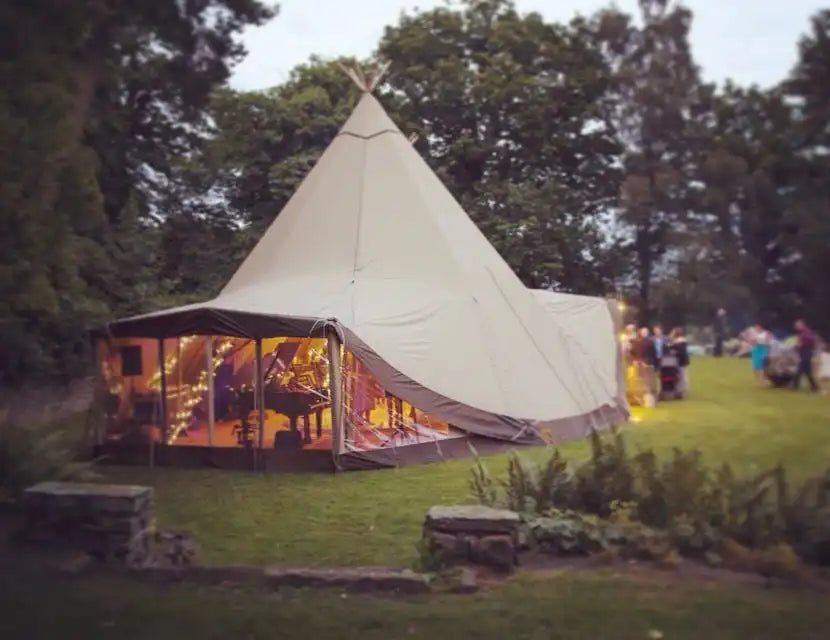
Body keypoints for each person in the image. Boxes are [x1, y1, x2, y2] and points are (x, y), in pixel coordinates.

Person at [793, 319, 820, 393]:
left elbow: (809, 342)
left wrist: (799, 345)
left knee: (799, 370)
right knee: (807, 372)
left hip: (806, 353)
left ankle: (795, 387)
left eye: (798, 325)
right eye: (796, 326)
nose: (796, 327)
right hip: (803, 353)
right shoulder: (801, 333)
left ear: (802, 325)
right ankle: (815, 387)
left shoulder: (806, 333)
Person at [669, 327, 690, 394]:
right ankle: (682, 389)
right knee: (682, 375)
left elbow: (681, 352)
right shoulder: (678, 341)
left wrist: (674, 352)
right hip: (680, 361)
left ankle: (683, 389)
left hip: (682, 361)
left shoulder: (681, 342)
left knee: (683, 376)